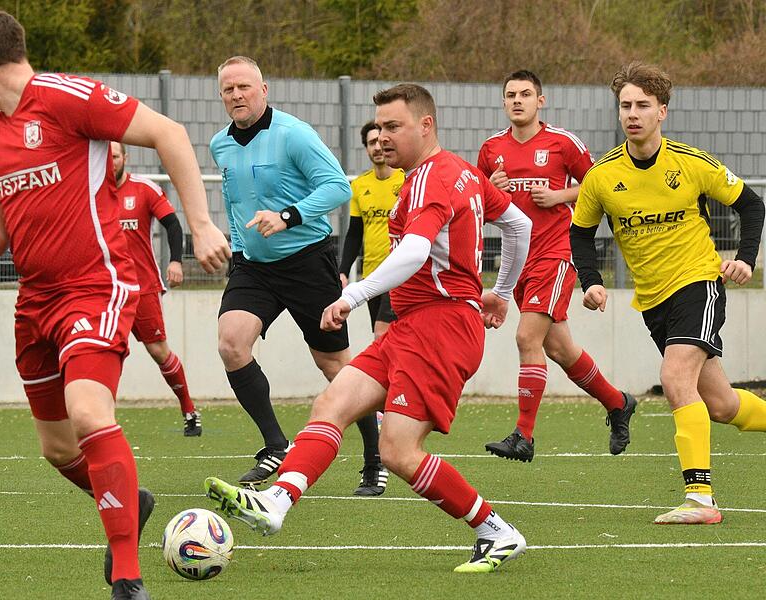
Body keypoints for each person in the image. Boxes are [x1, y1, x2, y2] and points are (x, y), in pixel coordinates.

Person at [205, 83, 535, 573]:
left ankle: (496, 530)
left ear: (426, 125)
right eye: (378, 127)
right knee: (333, 401)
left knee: (399, 451)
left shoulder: (428, 179)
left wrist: (352, 294)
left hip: (441, 329)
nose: (382, 137)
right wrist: (500, 293)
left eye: (393, 126)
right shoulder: (461, 171)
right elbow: (518, 227)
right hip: (416, 324)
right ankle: (276, 502)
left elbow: (416, 251)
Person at [0, 9, 229, 600]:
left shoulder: (65, 96)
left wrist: (202, 224)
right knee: (57, 448)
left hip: (95, 286)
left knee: (89, 413)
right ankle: (129, 502)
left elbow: (169, 133)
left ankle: (128, 577)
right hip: (34, 301)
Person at [571, 61, 766, 524]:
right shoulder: (602, 176)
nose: (632, 113)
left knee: (675, 375)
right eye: (625, 105)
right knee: (721, 405)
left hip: (698, 283)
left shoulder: (692, 163)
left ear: (663, 111)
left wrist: (745, 258)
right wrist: (592, 281)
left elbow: (752, 205)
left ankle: (700, 500)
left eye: (642, 105)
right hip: (653, 300)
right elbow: (581, 234)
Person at [210, 56, 381, 492]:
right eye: (229, 89)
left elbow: (338, 187)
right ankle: (275, 445)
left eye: (244, 87)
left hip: (307, 260)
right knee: (232, 343)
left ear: (263, 89)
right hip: (254, 267)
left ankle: (375, 457)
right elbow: (234, 205)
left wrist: (289, 215)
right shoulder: (220, 145)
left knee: (335, 366)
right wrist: (236, 249)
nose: (237, 95)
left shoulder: (294, 134)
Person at [477, 70, 636, 462]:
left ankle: (523, 436)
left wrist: (561, 194)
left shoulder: (562, 142)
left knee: (526, 338)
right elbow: (475, 204)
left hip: (555, 252)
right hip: (518, 261)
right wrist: (490, 188)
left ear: (540, 101)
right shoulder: (490, 149)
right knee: (560, 349)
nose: (518, 100)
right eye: (511, 95)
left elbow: (598, 182)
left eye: (525, 94)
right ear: (503, 103)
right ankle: (618, 403)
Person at [111, 141, 202, 437]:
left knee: (158, 351)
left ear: (125, 157)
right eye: (106, 156)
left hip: (143, 287)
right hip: (107, 290)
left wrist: (176, 261)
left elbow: (173, 226)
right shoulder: (92, 190)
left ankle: (189, 409)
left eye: (115, 156)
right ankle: (101, 418)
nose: (110, 162)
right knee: (107, 351)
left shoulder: (144, 189)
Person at [336, 120, 405, 495]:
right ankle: (395, 404)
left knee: (382, 339)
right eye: (371, 143)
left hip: (399, 278)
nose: (378, 148)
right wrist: (343, 271)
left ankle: (383, 413)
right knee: (388, 348)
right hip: (370, 282)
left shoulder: (404, 181)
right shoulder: (359, 186)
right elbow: (354, 234)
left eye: (382, 141)